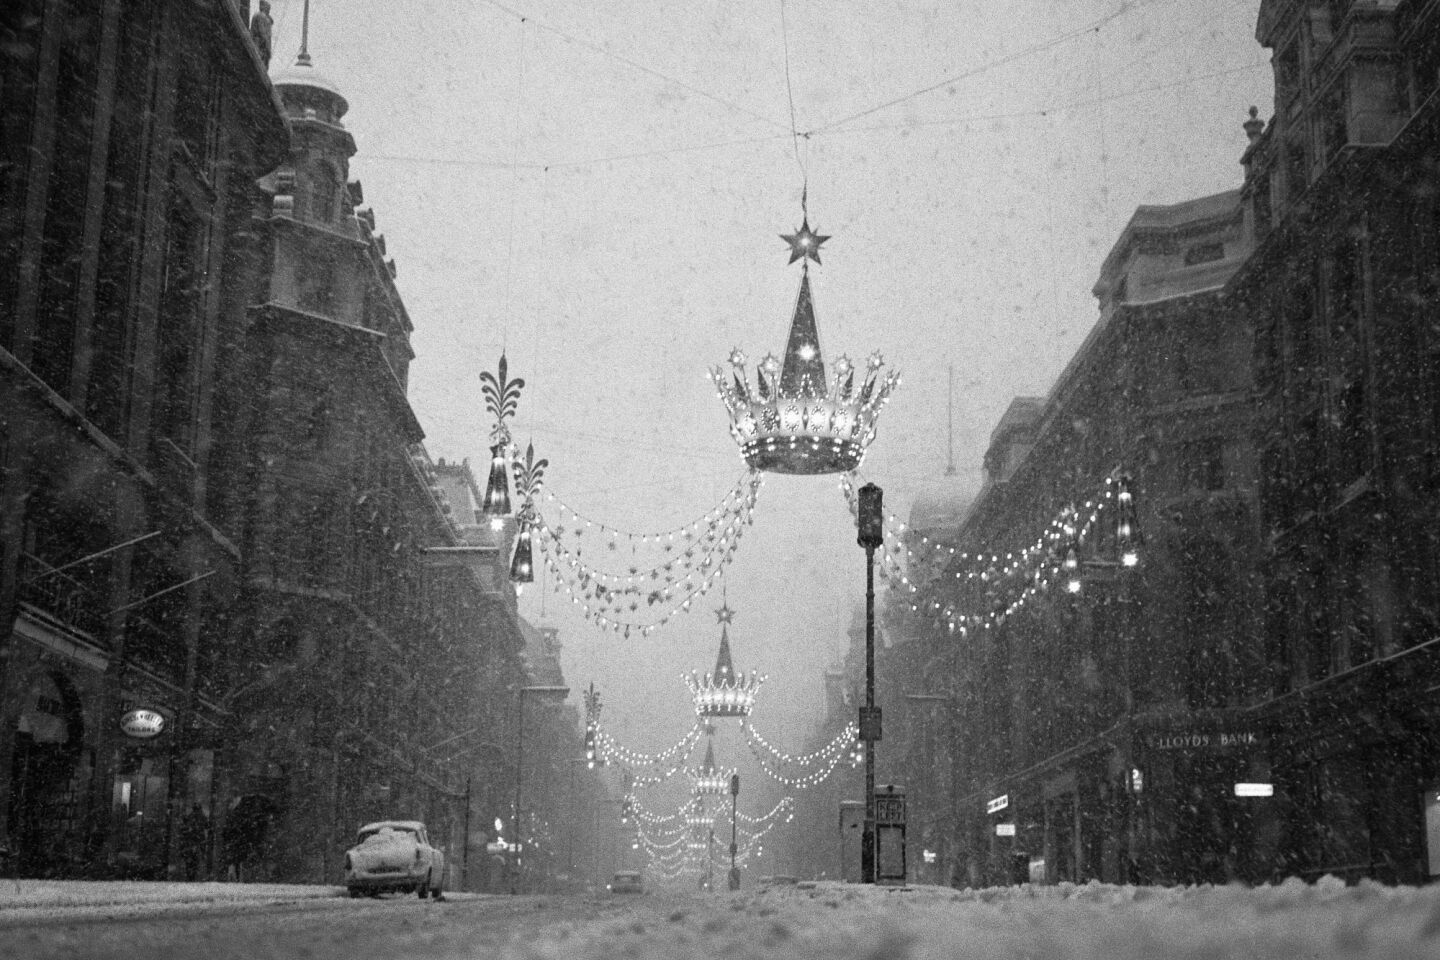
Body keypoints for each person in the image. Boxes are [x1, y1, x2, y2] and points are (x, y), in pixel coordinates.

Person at [180, 804, 209, 881]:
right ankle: (195, 874)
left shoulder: (190, 816)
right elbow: (206, 826)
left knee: (190, 859)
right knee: (196, 858)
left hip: (191, 841)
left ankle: (190, 874)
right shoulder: (202, 816)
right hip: (198, 841)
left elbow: (185, 828)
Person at [249, 1, 273, 68]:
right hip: (261, 44)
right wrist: (268, 47)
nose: (269, 10)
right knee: (262, 64)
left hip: (260, 43)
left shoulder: (263, 16)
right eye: (268, 8)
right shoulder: (261, 16)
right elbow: (262, 31)